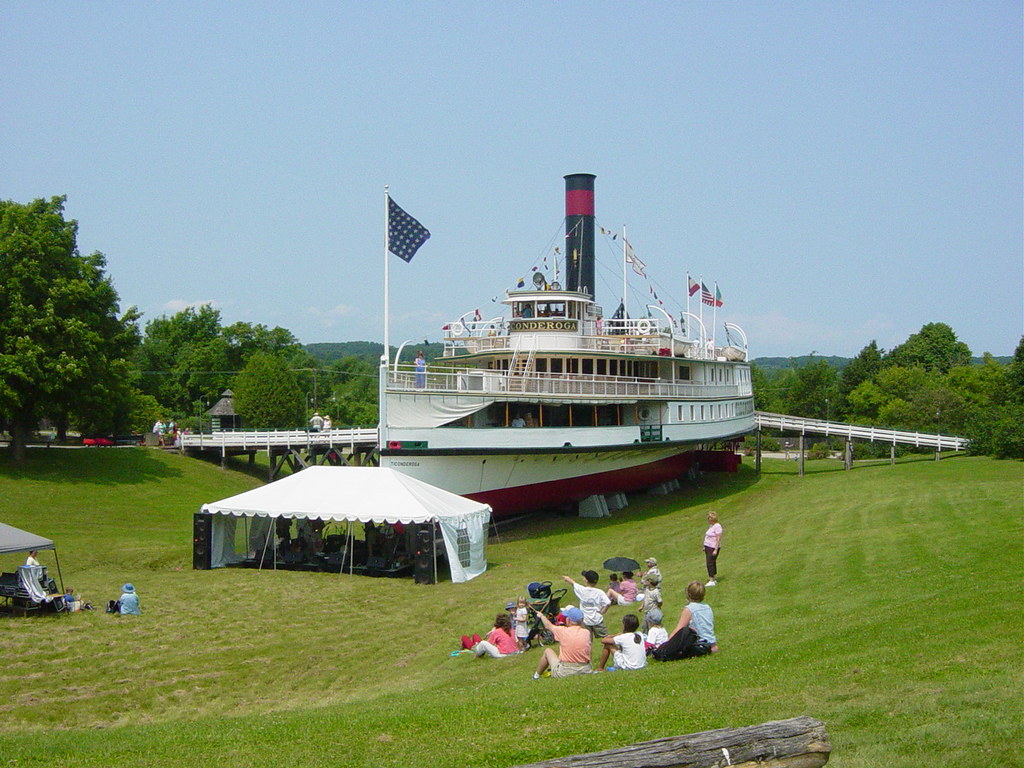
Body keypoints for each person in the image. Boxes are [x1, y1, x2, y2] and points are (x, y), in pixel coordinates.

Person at [653, 581, 717, 661]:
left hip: (698, 644)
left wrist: (666, 644)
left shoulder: (689, 609)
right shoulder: (707, 607)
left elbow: (679, 629)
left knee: (684, 633)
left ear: (688, 594)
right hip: (711, 643)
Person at [532, 606, 593, 679]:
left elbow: (548, 625)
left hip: (566, 671)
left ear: (568, 620)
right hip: (586, 669)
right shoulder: (586, 632)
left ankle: (536, 676)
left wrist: (541, 616)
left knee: (548, 651)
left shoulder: (563, 631)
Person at [563, 571, 611, 638]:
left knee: (587, 639)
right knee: (606, 638)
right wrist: (602, 612)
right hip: (597, 619)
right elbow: (608, 603)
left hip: (586, 621)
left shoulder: (582, 590)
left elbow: (573, 583)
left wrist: (567, 578)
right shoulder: (599, 592)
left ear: (586, 580)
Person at [703, 511, 723, 586]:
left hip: (713, 547)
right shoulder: (711, 526)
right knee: (711, 562)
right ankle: (713, 578)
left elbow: (718, 538)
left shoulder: (717, 526)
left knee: (710, 563)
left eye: (709, 518)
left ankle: (711, 580)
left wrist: (715, 549)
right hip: (708, 547)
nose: (707, 520)